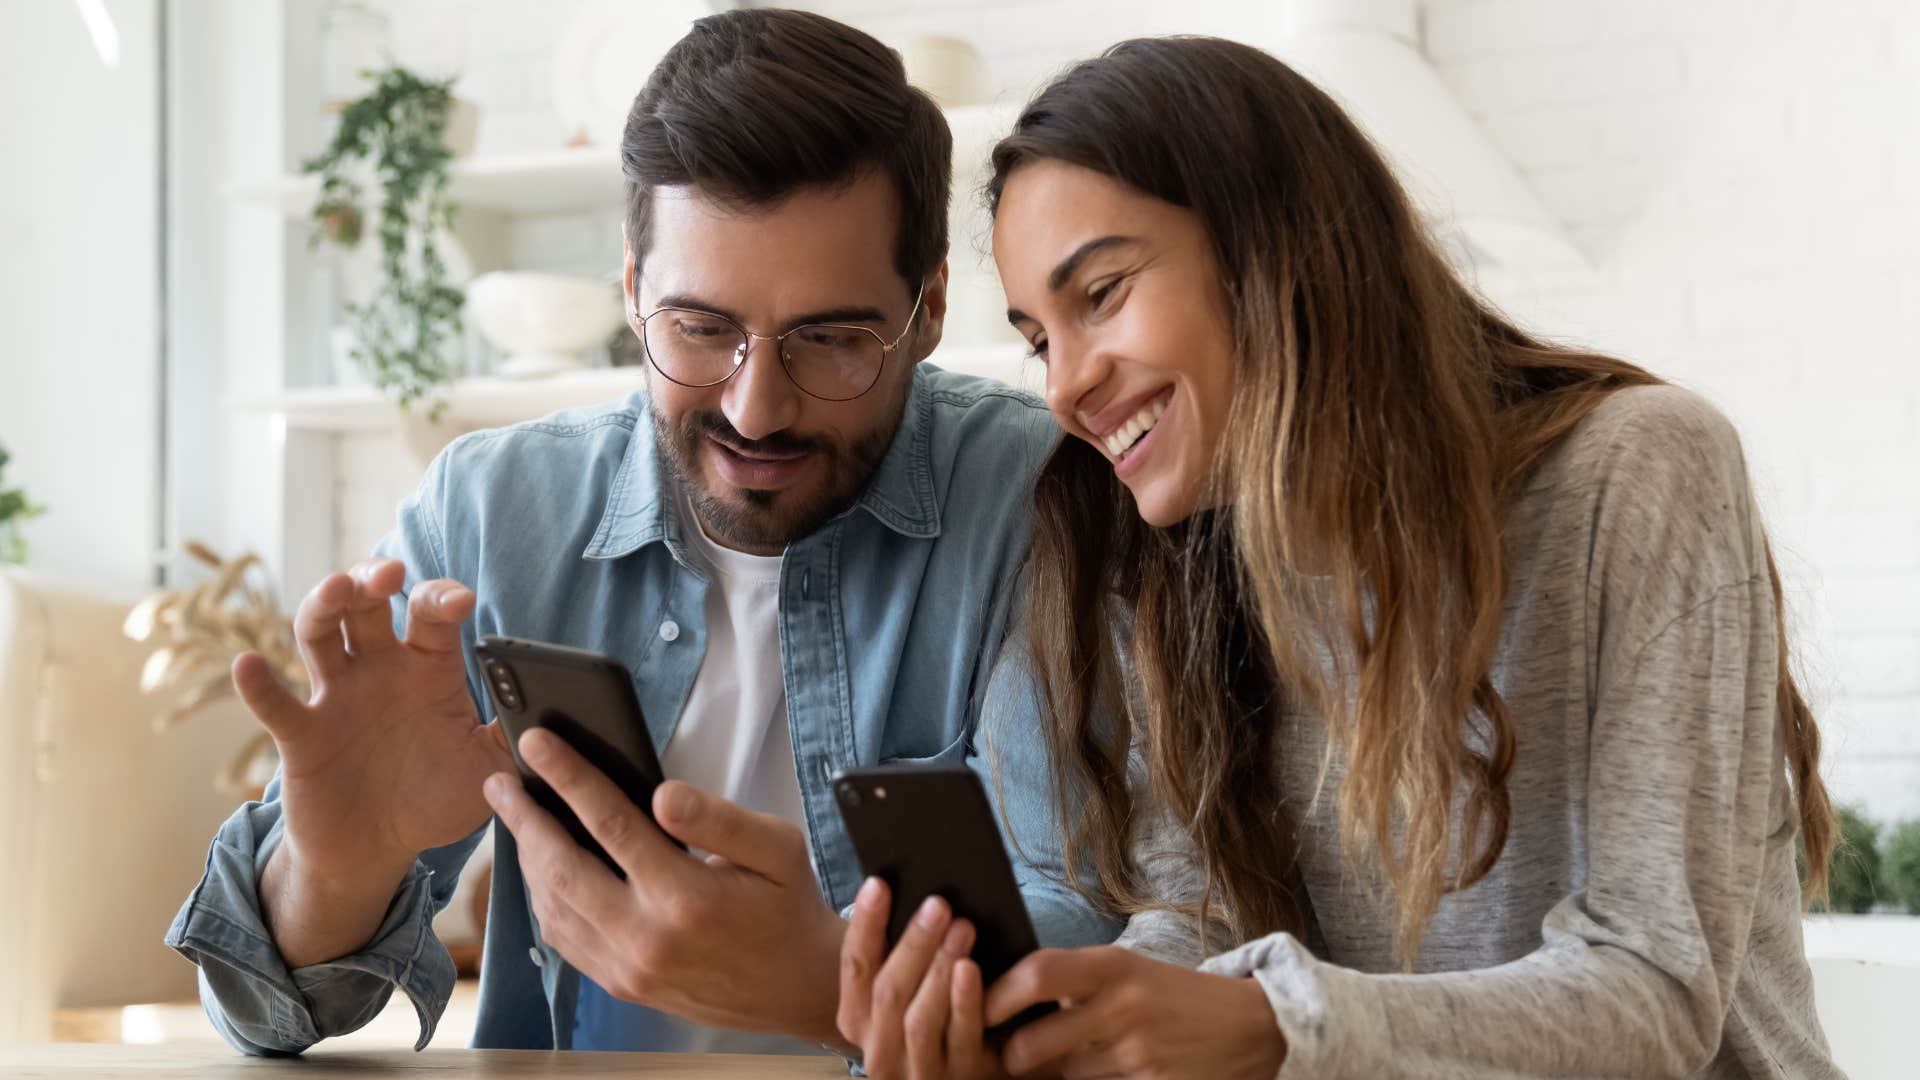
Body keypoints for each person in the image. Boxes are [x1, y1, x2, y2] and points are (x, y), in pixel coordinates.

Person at [836, 35, 1842, 1079]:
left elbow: (1656, 991)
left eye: (1102, 293)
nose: (1065, 387)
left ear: (1271, 246)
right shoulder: (1179, 573)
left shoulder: (1637, 471)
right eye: (1042, 339)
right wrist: (1077, 1024)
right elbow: (1199, 923)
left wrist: (1272, 1025)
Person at [165, 9, 1115, 1058]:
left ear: (929, 309)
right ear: (632, 290)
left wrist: (823, 979)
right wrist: (335, 868)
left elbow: (1091, 941)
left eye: (831, 340)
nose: (756, 409)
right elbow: (263, 1011)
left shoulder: (1045, 502)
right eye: (701, 329)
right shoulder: (487, 516)